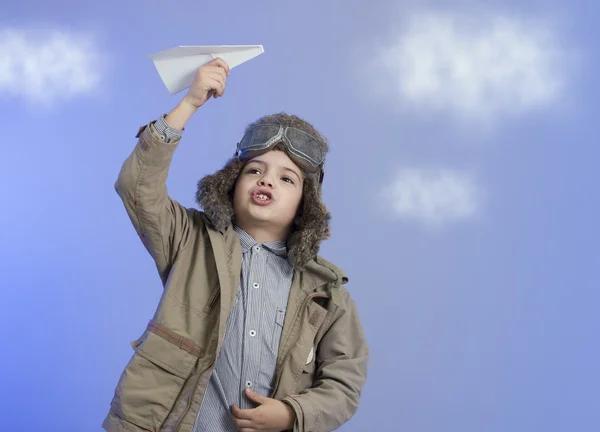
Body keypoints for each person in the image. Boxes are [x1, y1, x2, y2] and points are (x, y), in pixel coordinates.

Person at [102, 58, 369, 432]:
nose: (267, 182)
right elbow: (137, 188)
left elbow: (344, 382)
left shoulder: (326, 293)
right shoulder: (190, 240)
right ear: (231, 182)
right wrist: (189, 104)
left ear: (305, 204)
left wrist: (292, 414)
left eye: (287, 179)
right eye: (254, 170)